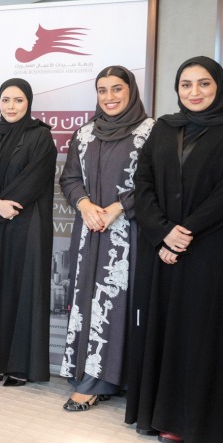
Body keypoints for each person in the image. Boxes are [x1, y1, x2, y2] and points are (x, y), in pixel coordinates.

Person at [126, 56, 223, 443]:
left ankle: (194, 422)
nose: (194, 92)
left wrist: (185, 233)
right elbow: (143, 180)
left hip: (215, 248)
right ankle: (157, 415)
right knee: (163, 326)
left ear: (218, 86)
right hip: (163, 245)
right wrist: (162, 233)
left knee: (201, 332)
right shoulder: (165, 127)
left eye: (203, 83)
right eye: (186, 84)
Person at [58, 66, 153, 411]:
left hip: (129, 232)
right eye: (102, 90)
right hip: (89, 231)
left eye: (117, 89)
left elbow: (153, 183)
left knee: (118, 301)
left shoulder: (149, 132)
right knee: (87, 301)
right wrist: (84, 205)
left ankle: (104, 379)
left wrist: (117, 208)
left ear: (131, 91)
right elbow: (69, 179)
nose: (109, 97)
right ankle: (90, 371)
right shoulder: (84, 133)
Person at [0, 77, 57, 386]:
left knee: (20, 292)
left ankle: (19, 366)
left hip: (26, 226)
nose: (11, 106)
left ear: (29, 103)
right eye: (6, 100)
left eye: (18, 100)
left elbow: (32, 181)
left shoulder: (41, 137)